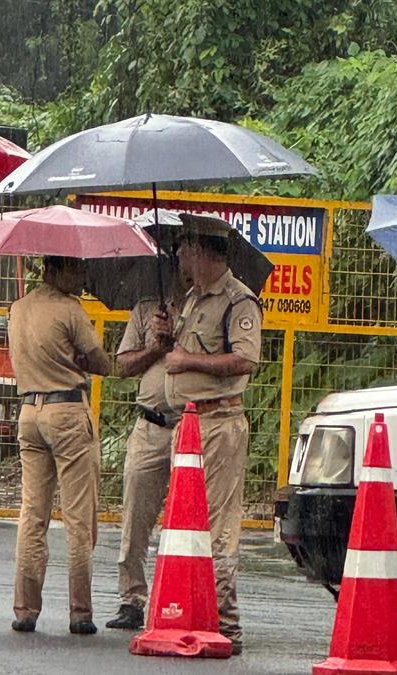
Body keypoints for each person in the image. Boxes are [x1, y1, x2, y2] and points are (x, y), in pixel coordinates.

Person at [155, 214, 262, 655]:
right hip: (189, 425)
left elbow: (245, 359)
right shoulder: (193, 299)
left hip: (218, 423)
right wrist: (167, 341)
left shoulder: (238, 301)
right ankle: (197, 611)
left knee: (216, 524)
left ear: (201, 251)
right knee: (185, 522)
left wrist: (188, 362)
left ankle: (226, 622)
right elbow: (183, 353)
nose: (179, 257)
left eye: (183, 248)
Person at [7, 256, 111, 635]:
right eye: (75, 270)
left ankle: (25, 609)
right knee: (79, 518)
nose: (81, 277)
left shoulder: (18, 308)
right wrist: (84, 359)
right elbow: (100, 361)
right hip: (67, 411)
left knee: (32, 514)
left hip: (29, 413)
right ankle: (80, 611)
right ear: (54, 270)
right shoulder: (71, 309)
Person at [105, 272, 191, 630]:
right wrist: (155, 347)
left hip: (192, 427)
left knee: (193, 519)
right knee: (135, 517)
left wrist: (177, 339)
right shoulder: (145, 310)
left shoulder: (205, 309)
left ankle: (188, 597)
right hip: (150, 425)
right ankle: (131, 598)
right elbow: (123, 366)